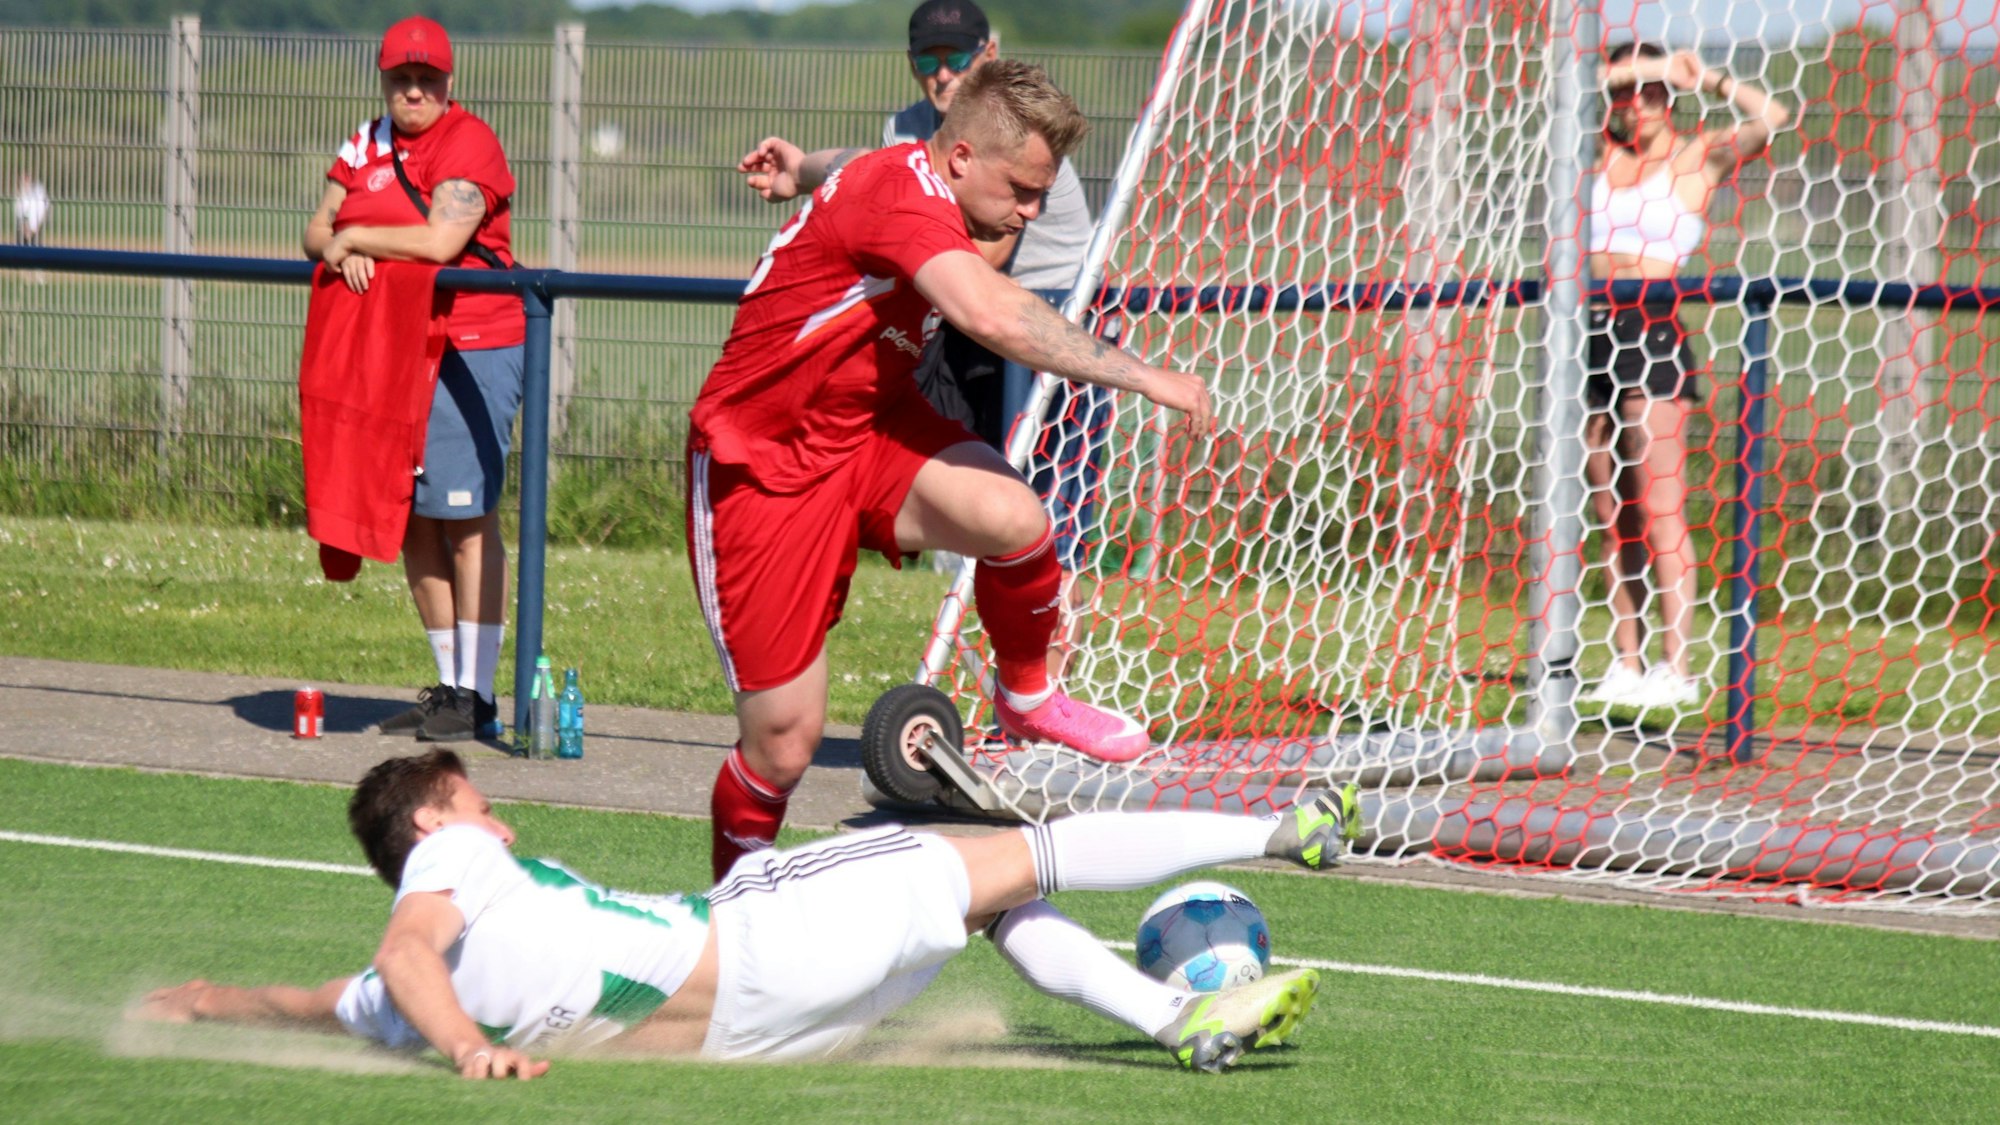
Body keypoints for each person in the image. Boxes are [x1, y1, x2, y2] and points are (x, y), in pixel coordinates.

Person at [710, 60, 1213, 879]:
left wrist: (799, 168)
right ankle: (737, 905)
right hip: (764, 464)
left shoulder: (916, 163)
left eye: (1041, 193)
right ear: (962, 158)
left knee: (1015, 518)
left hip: (869, 430)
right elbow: (988, 311)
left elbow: (843, 165)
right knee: (784, 743)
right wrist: (1145, 375)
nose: (1032, 210)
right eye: (1022, 189)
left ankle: (1027, 694)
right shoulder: (904, 199)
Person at [136, 749, 1358, 1075]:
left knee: (990, 903)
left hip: (773, 1035)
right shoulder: (446, 868)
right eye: (483, 808)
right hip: (767, 937)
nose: (500, 827)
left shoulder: (399, 1005)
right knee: (1015, 852)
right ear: (433, 821)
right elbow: (407, 953)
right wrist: (467, 1050)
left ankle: (1172, 1019)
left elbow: (322, 1000)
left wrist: (199, 1003)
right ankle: (1280, 830)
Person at [742, 0, 1107, 629]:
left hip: (1047, 329)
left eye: (957, 58)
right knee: (973, 507)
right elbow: (873, 173)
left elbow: (981, 262)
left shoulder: (1024, 139)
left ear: (988, 55)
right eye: (928, 61)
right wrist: (801, 172)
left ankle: (1048, 669)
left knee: (1050, 526)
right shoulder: (907, 129)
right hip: (963, 329)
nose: (943, 74)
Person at [303, 16, 524, 742]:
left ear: (449, 82)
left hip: (469, 343)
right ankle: (449, 689)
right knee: (415, 516)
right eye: (402, 78)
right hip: (394, 344)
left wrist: (358, 237)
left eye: (428, 79)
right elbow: (314, 230)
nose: (414, 91)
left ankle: (478, 694)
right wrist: (340, 248)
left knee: (466, 516)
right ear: (384, 79)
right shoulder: (364, 142)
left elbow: (440, 240)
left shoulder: (469, 141)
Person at [1577, 42, 1790, 710]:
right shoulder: (1598, 155)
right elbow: (1557, 90)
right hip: (1593, 334)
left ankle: (1677, 666)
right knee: (1613, 513)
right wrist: (1639, 73)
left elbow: (1774, 116)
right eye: (1624, 93)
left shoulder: (1696, 158)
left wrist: (1708, 78)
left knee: (1660, 509)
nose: (1635, 104)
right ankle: (1627, 662)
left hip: (1655, 336)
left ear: (1670, 99)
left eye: (1650, 94)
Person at [13, 172, 49, 283]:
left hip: (36, 226)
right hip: (24, 228)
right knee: (23, 253)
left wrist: (38, 225)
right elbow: (20, 212)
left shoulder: (38, 190)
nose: (24, 182)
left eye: (26, 179)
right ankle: (26, 278)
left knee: (38, 252)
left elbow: (45, 206)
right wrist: (25, 228)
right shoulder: (21, 195)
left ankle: (39, 276)